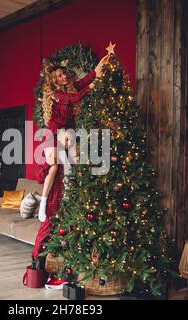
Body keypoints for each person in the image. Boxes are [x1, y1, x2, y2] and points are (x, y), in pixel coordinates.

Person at [31, 53, 111, 260]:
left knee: (73, 157)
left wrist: (101, 64)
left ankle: (71, 190)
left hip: (65, 132)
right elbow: (75, 97)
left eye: (63, 74)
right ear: (54, 80)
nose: (62, 78)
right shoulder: (57, 93)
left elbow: (86, 79)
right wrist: (91, 88)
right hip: (52, 132)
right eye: (58, 76)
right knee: (54, 167)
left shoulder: (71, 85)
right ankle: (43, 203)